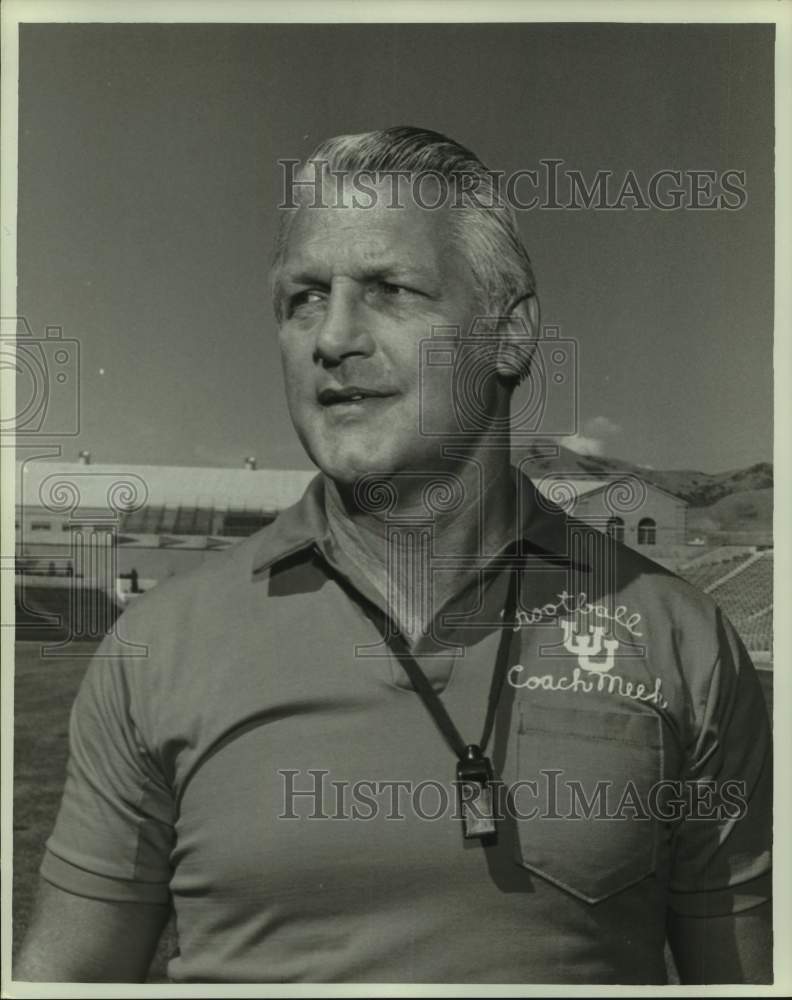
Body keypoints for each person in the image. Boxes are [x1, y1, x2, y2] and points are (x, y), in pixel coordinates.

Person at [16, 127, 771, 984]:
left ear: (510, 335)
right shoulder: (157, 649)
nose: (331, 335)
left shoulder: (685, 644)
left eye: (389, 289)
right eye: (303, 297)